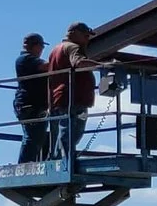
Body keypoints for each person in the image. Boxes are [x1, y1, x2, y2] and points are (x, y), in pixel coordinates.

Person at [43, 22, 95, 159]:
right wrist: (104, 66)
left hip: (58, 99)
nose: (87, 39)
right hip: (73, 98)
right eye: (85, 35)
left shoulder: (55, 50)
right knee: (71, 133)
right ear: (74, 34)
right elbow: (79, 63)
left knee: (62, 133)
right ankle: (64, 161)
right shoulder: (73, 47)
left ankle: (57, 159)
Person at [11, 31, 48, 161]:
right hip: (29, 105)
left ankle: (27, 163)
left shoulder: (27, 59)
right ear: (36, 46)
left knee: (36, 136)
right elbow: (46, 67)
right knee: (33, 137)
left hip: (30, 104)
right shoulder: (26, 59)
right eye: (42, 46)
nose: (42, 50)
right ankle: (24, 165)